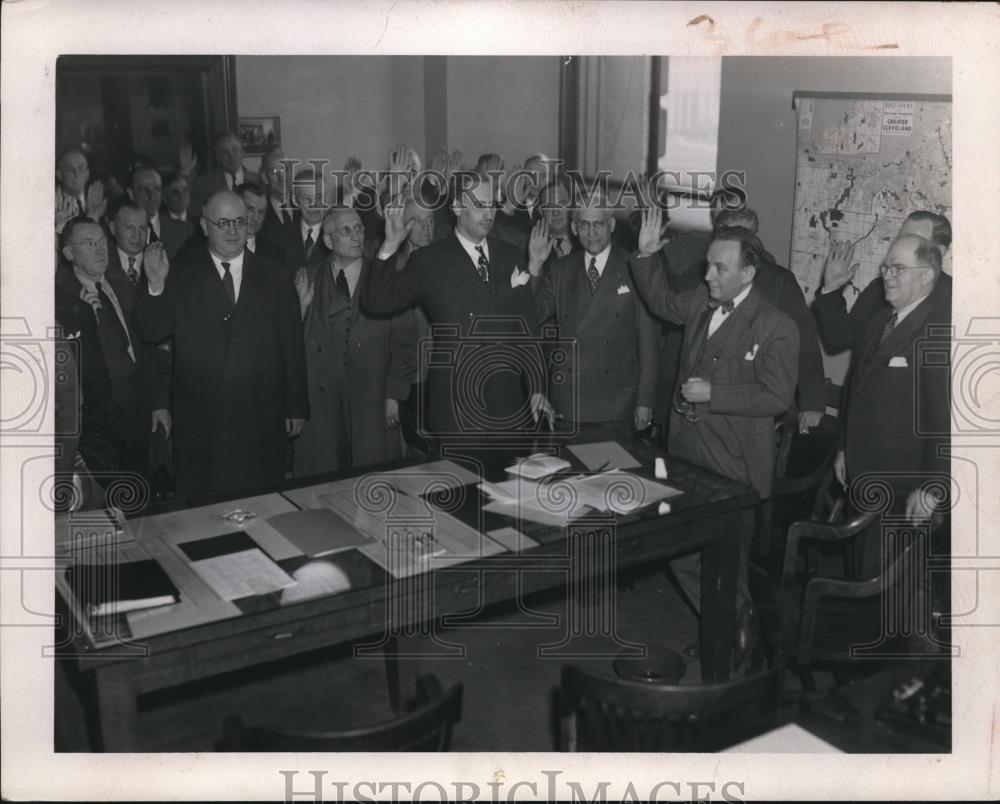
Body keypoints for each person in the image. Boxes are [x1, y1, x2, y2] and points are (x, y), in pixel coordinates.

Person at [630, 209, 799, 670]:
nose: (708, 275)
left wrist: (716, 393)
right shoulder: (701, 303)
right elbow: (663, 301)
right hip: (687, 455)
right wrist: (647, 255)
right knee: (681, 553)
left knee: (729, 563)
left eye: (719, 268)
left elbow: (778, 397)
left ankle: (736, 643)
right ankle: (725, 623)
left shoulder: (776, 325)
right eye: (708, 265)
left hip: (734, 465)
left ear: (748, 272)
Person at [133, 190, 308, 499]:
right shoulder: (182, 273)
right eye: (223, 222)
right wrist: (156, 284)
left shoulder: (275, 274)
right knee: (205, 508)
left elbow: (292, 343)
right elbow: (152, 331)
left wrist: (296, 405)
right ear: (205, 226)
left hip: (260, 416)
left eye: (239, 221)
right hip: (202, 420)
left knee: (263, 501)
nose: (232, 230)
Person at [361, 173, 555, 442]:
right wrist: (390, 245)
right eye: (478, 205)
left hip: (508, 404)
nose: (488, 214)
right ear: (456, 208)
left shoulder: (510, 253)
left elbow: (528, 326)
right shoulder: (428, 260)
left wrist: (536, 388)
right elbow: (376, 302)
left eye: (491, 205)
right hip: (456, 407)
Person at [835, 233, 951, 579]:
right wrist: (844, 449)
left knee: (886, 590)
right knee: (859, 573)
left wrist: (933, 486)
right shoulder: (880, 321)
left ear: (927, 275)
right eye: (886, 267)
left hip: (902, 487)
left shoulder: (940, 331)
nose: (887, 274)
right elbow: (855, 392)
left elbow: (945, 420)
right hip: (863, 475)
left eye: (899, 268)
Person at [292, 207, 416, 475]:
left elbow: (406, 343)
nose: (356, 236)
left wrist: (394, 395)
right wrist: (299, 312)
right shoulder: (306, 278)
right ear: (327, 241)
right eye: (346, 231)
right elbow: (288, 347)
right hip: (322, 407)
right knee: (321, 486)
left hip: (372, 400)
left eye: (359, 228)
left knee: (372, 482)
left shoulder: (387, 276)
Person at [528, 193, 658, 432]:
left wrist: (645, 401)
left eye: (598, 224)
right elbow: (531, 320)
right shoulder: (561, 269)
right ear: (575, 229)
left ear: (611, 225)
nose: (591, 233)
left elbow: (649, 344)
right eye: (584, 225)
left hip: (617, 402)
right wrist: (535, 266)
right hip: (569, 399)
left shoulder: (635, 266)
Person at [56, 217, 171, 482]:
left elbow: (149, 347)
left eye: (101, 242)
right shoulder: (63, 303)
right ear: (69, 253)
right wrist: (87, 323)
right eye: (88, 243)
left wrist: (158, 403)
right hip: (101, 421)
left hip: (140, 408)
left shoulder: (124, 288)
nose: (99, 249)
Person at [814, 210, 952, 354]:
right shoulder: (881, 288)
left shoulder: (954, 302)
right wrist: (832, 287)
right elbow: (840, 336)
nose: (901, 246)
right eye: (900, 239)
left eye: (912, 239)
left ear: (939, 252)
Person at [183, 132, 261, 220]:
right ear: (218, 158)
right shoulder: (203, 184)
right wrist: (185, 172)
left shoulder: (259, 181)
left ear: (243, 152)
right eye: (225, 152)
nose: (231, 156)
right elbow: (193, 215)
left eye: (235, 150)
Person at [127, 166, 193, 260]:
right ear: (131, 194)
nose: (152, 196)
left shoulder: (184, 231)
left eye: (156, 190)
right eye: (144, 190)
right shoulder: (122, 232)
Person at [285, 166, 331, 277]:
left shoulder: (336, 235)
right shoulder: (283, 235)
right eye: (306, 198)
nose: (314, 205)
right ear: (295, 200)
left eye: (319, 197)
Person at [237, 181, 286, 263]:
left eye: (261, 212)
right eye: (250, 209)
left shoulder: (276, 254)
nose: (256, 218)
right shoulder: (218, 246)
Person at [259, 147, 297, 247]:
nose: (281, 177)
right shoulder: (258, 213)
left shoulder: (305, 205)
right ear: (265, 178)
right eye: (274, 172)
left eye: (284, 170)